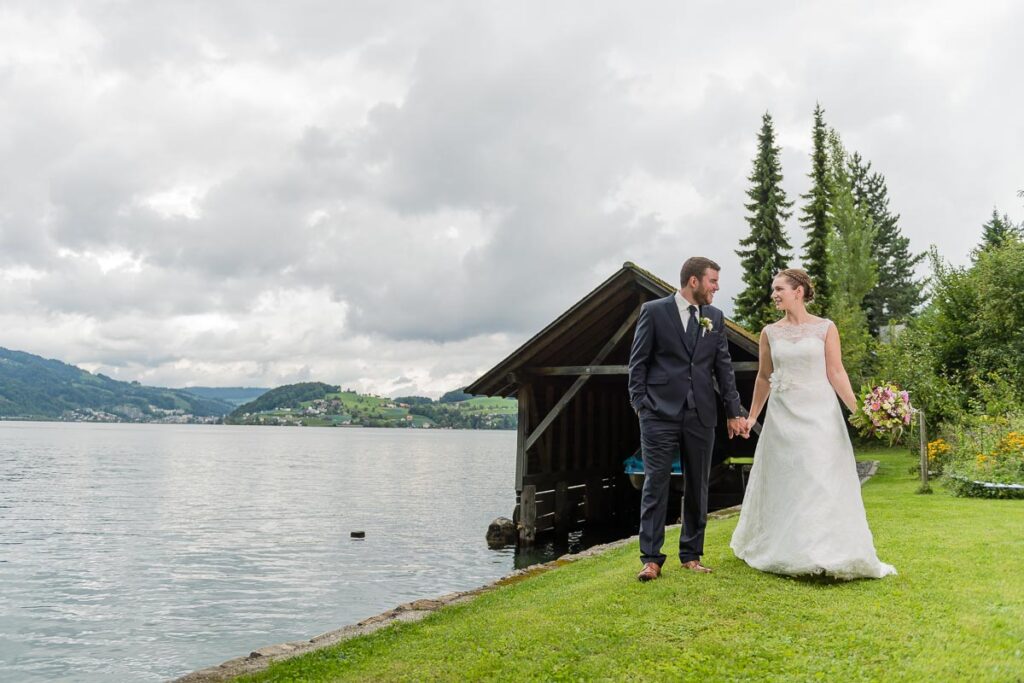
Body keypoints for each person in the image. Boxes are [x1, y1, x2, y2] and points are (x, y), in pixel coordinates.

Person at [729, 269, 896, 579]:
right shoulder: (770, 332)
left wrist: (858, 411)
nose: (774, 294)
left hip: (820, 414)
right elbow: (764, 376)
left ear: (799, 292)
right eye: (773, 290)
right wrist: (752, 416)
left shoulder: (826, 328)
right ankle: (796, 550)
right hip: (783, 418)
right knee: (791, 480)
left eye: (779, 288)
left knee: (820, 478)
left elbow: (836, 372)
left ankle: (827, 551)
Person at [628, 256, 749, 581]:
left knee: (698, 485)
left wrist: (733, 411)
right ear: (693, 281)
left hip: (701, 413)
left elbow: (723, 368)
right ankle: (651, 560)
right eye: (713, 280)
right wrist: (641, 404)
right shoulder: (654, 312)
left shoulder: (715, 317)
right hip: (658, 414)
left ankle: (691, 555)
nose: (717, 287)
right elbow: (637, 363)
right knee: (656, 483)